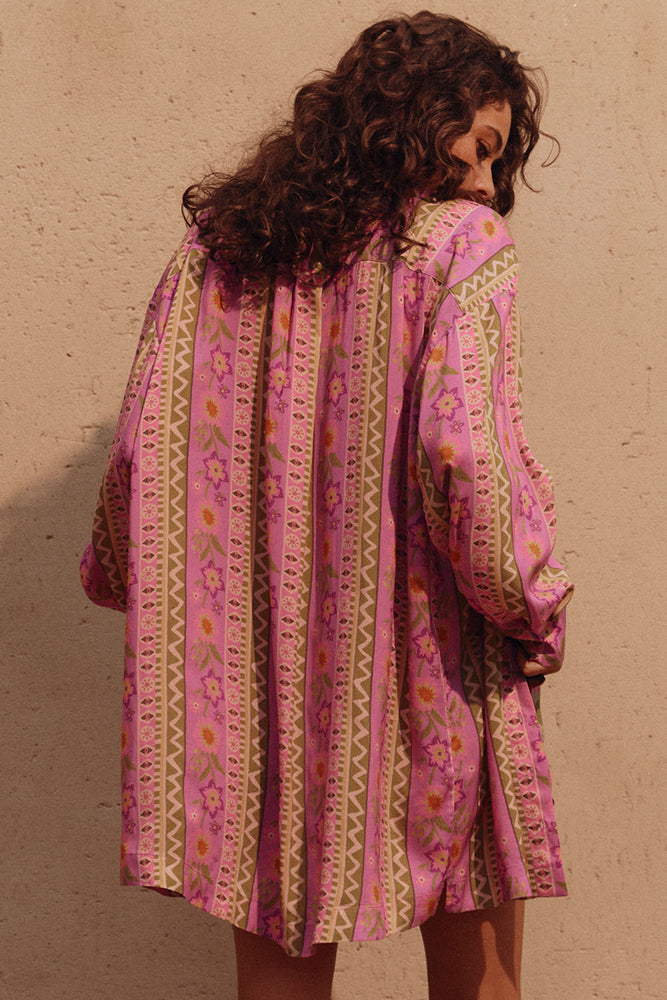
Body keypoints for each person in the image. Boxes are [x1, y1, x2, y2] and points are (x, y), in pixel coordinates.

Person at [80, 11, 574, 1000]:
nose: (486, 182)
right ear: (414, 115)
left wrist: (127, 580)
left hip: (251, 679)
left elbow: (138, 444)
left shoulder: (220, 246)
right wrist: (532, 604)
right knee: (476, 956)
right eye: (477, 145)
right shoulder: (461, 245)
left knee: (278, 952)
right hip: (435, 657)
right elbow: (465, 459)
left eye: (497, 158)